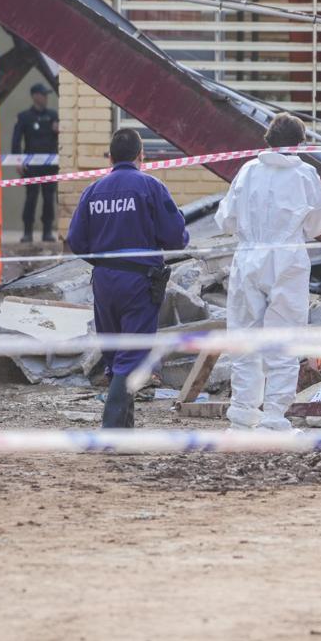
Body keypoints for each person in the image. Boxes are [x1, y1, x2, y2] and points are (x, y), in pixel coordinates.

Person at [215, 113, 321, 431]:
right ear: (299, 143)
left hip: (248, 258)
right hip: (287, 259)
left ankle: (242, 416)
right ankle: (274, 418)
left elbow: (224, 219)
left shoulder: (248, 170)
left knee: (244, 337)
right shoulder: (305, 174)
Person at [67, 128, 189, 428]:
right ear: (141, 156)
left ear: (111, 157)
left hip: (105, 282)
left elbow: (76, 240)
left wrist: (105, 261)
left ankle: (125, 430)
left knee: (115, 355)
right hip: (139, 282)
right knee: (132, 356)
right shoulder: (150, 187)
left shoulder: (93, 190)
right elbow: (176, 237)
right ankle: (111, 431)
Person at [11, 82, 59, 243]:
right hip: (31, 166)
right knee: (31, 198)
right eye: (43, 94)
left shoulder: (53, 116)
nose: (46, 98)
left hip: (50, 166)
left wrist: (60, 129)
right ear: (35, 96)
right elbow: (16, 141)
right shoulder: (24, 117)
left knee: (48, 198)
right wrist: (17, 161)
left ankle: (47, 232)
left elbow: (63, 138)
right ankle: (27, 232)